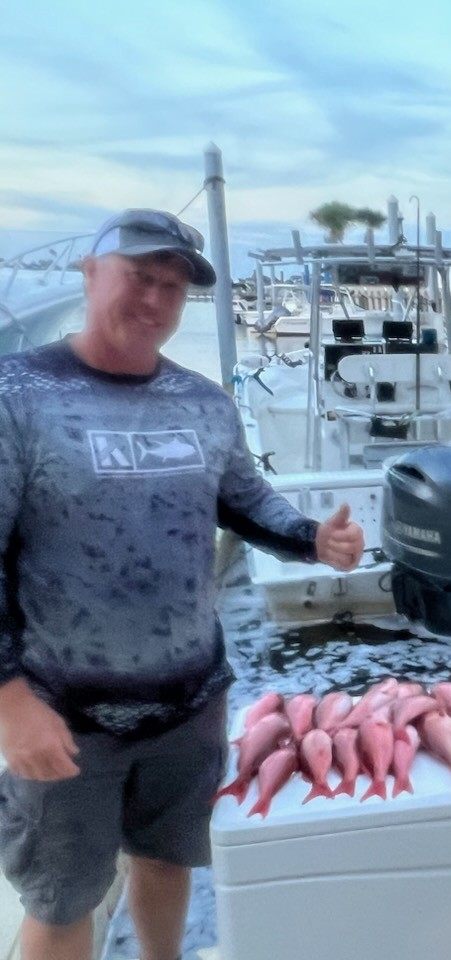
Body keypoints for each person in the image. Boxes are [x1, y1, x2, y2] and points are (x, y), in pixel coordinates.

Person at [0, 209, 365, 960]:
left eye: (173, 287)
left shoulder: (203, 402)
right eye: (141, 276)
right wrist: (9, 703)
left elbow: (242, 501)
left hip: (190, 702)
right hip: (64, 714)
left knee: (169, 860)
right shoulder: (19, 395)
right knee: (63, 896)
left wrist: (312, 540)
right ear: (91, 273)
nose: (157, 301)